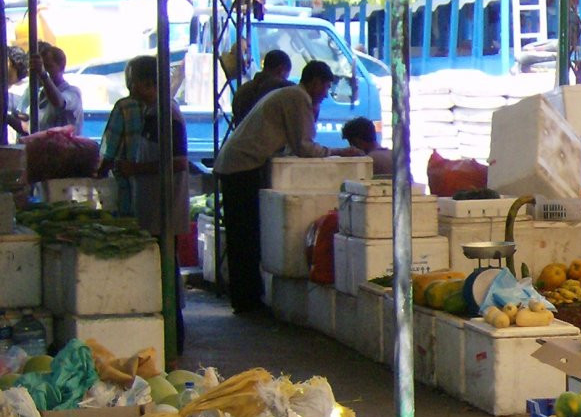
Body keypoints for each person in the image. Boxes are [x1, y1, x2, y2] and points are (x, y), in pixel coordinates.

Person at [213, 59, 336, 314]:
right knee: (245, 235)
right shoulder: (297, 98)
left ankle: (247, 298)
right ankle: (246, 301)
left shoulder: (289, 94)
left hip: (238, 164)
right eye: (325, 88)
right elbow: (304, 145)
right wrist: (337, 152)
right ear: (315, 82)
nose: (325, 95)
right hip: (241, 166)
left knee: (243, 235)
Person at [96, 54, 190, 348]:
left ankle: (174, 338)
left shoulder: (167, 113)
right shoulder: (152, 111)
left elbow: (178, 162)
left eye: (134, 81)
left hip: (164, 206)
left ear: (147, 83)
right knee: (160, 269)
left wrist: (134, 169)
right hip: (152, 204)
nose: (131, 87)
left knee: (165, 271)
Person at [5, 44, 82, 136]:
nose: (43, 70)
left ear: (61, 67)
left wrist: (43, 74)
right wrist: (8, 117)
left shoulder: (72, 92)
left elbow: (59, 102)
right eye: (42, 67)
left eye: (48, 66)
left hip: (63, 149)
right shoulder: (40, 94)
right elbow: (28, 128)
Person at [230, 48, 293, 127]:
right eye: (285, 77)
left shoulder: (242, 90)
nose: (285, 80)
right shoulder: (283, 89)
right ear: (280, 70)